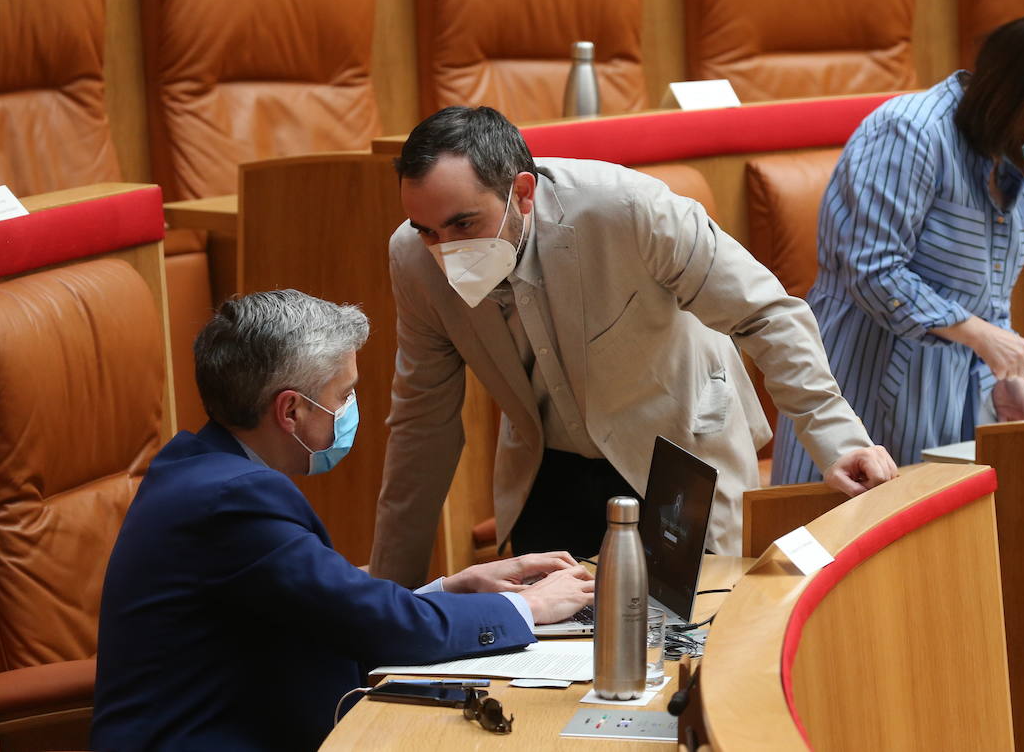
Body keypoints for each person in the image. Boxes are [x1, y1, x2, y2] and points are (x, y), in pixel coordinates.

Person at [371, 106, 898, 585]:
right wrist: (391, 597)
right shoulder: (414, 262)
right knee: (550, 647)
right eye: (428, 231)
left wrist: (836, 438)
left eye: (464, 223)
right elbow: (422, 425)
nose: (448, 251)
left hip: (675, 446)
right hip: (547, 464)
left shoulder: (627, 207)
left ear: (523, 192)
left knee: (695, 632)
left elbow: (765, 313)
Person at [92, 290, 593, 752]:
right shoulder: (235, 500)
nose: (350, 409)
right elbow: (371, 623)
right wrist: (526, 606)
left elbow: (333, 605)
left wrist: (451, 589)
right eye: (343, 394)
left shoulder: (198, 467)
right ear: (290, 410)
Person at [772, 12, 1024, 481]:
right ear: (1014, 102)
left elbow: (989, 290)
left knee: (939, 547)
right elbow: (872, 270)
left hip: (954, 398)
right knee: (851, 542)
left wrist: (1005, 378)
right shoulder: (908, 132)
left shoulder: (1009, 155)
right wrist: (977, 334)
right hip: (866, 387)